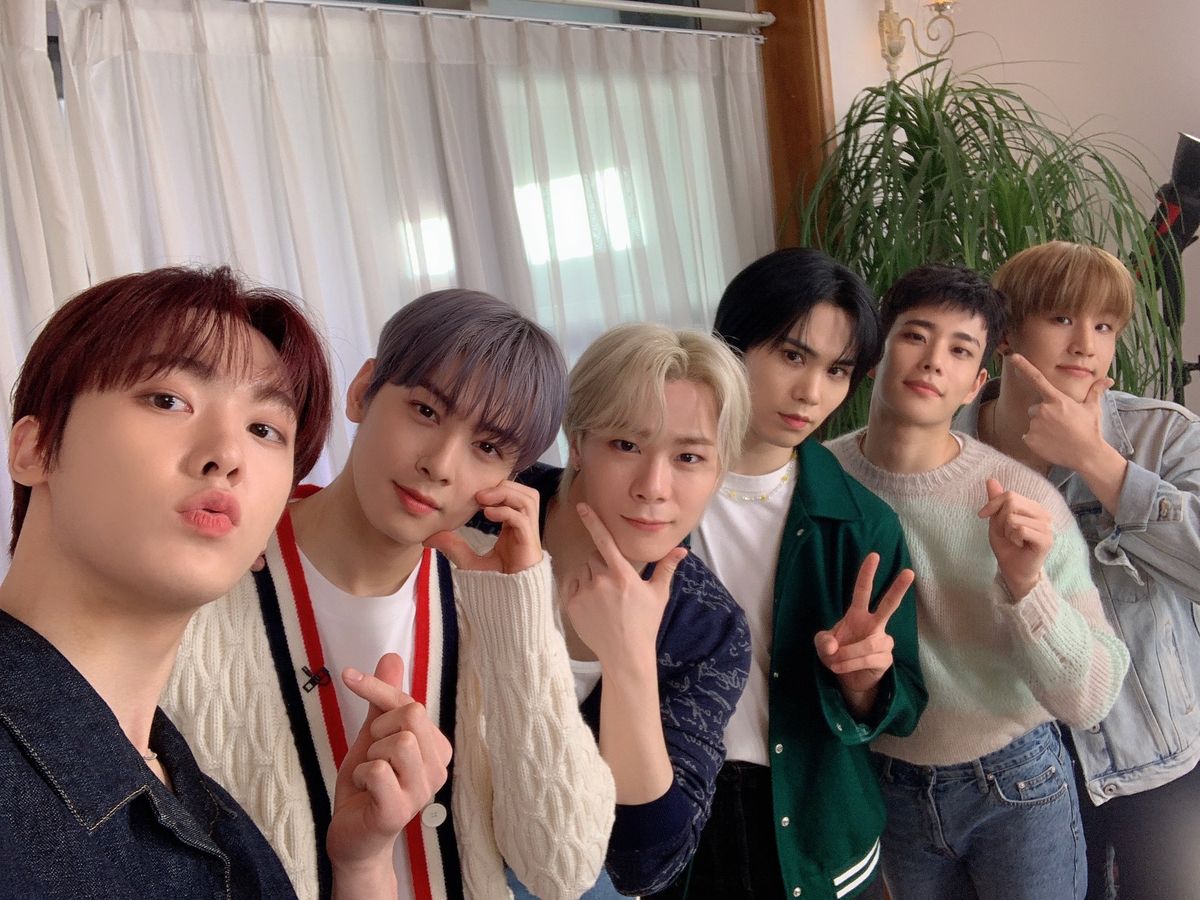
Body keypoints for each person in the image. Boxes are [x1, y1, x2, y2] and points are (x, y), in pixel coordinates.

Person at [0, 266, 450, 898]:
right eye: (168, 399)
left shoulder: (217, 821)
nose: (229, 455)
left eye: (264, 429)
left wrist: (362, 864)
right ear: (35, 447)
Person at [164, 289, 616, 900]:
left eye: (487, 448)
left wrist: (521, 623)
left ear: (510, 477)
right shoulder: (219, 573)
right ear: (362, 391)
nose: (441, 464)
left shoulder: (496, 600)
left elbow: (562, 869)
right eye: (425, 410)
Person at [827, 263, 1130, 900]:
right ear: (876, 353)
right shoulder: (818, 482)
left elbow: (1092, 698)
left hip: (1016, 782)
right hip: (884, 781)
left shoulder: (1021, 496)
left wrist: (1027, 585)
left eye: (961, 350)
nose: (933, 360)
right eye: (915, 335)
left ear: (975, 384)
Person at [649, 247, 926, 900]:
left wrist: (864, 683)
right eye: (792, 355)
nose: (812, 392)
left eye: (837, 370)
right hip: (675, 810)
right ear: (731, 344)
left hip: (814, 826)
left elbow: (904, 705)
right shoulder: (648, 495)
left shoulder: (862, 524)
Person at [955, 240, 1200, 899]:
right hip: (1016, 774)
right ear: (1006, 332)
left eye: (1105, 326)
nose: (1086, 345)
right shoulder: (946, 452)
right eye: (1062, 318)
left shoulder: (1162, 435)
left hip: (1157, 760)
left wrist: (1098, 461)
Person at [484, 323, 752, 897]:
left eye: (689, 457)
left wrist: (630, 660)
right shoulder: (488, 506)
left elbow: (645, 864)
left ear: (719, 472)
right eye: (626, 445)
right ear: (577, 442)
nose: (654, 487)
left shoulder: (708, 626)